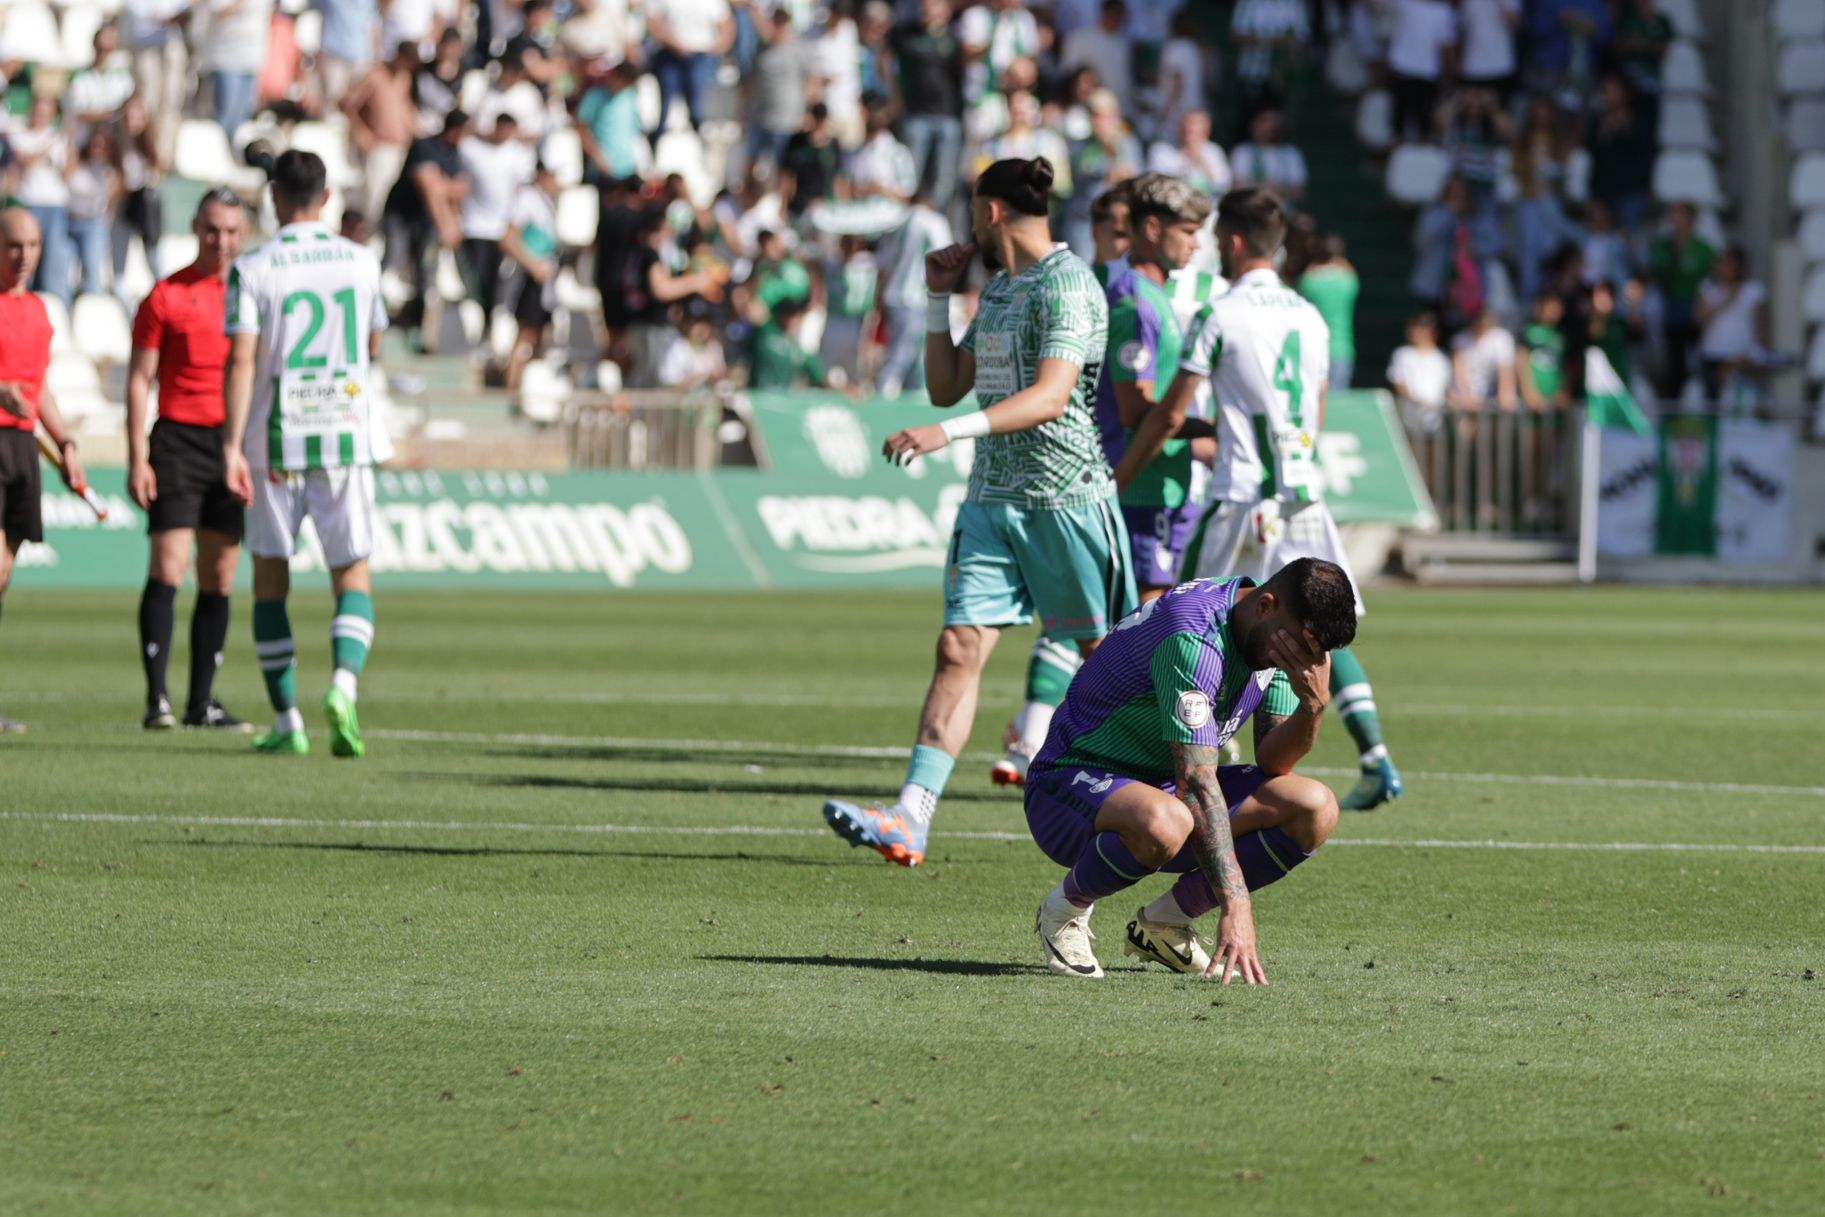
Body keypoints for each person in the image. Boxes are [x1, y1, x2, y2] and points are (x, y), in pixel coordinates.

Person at [821, 156, 1134, 866]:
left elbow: (1050, 397)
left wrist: (947, 434)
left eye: (972, 211)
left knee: (1106, 661)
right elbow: (945, 384)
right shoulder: (997, 289)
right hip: (993, 501)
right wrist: (937, 299)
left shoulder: (1069, 286)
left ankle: (1167, 793)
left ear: (990, 211)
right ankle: (911, 815)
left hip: (1066, 499)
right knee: (957, 646)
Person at [1167, 188, 1404, 811]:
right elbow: (1316, 410)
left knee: (1199, 619)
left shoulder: (1222, 311)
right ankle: (1374, 752)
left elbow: (1177, 409)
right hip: (1301, 493)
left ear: (1235, 242)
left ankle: (1199, 767)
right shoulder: (1310, 315)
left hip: (1243, 495)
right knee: (1320, 624)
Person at [1025, 559, 1353, 981]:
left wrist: (1313, 708)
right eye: (1298, 649)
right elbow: (1196, 784)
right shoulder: (1194, 637)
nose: (1302, 662)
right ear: (1266, 605)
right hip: (1069, 783)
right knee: (1166, 820)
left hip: (1163, 789)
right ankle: (1065, 909)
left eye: (1315, 655)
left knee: (1314, 806)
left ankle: (1164, 923)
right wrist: (1237, 904)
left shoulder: (1270, 634)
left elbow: (1275, 762)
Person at [221, 151, 390, 758]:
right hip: (344, 437)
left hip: (275, 443)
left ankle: (288, 720)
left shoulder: (253, 267)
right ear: (326, 198)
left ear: (273, 198)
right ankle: (343, 685)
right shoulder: (362, 261)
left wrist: (231, 445)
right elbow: (372, 343)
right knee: (352, 573)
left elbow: (241, 359)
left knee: (271, 580)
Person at [126, 189, 253, 732]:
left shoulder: (250, 296)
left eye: (230, 232)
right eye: (211, 230)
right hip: (177, 438)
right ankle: (158, 700)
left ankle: (202, 702)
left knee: (220, 574)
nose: (220, 241)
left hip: (232, 442)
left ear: (242, 235)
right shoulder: (166, 295)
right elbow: (139, 379)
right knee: (169, 565)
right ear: (196, 227)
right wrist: (138, 456)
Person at [1101, 174, 1210, 604]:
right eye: (1187, 232)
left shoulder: (1156, 297)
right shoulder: (1135, 303)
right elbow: (1136, 411)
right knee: (1145, 617)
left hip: (1160, 483)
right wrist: (1211, 429)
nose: (1196, 245)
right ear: (1151, 229)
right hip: (1140, 488)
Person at [0, 209, 89, 733]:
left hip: (23, 448)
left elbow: (40, 388)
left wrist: (67, 441)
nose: (25, 255)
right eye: (14, 245)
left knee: (5, 576)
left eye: (32, 245)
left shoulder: (37, 310)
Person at [382, 109, 471, 342]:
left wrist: (449, 211)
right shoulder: (424, 146)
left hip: (424, 223)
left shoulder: (454, 154)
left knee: (425, 275)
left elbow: (458, 191)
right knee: (391, 263)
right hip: (401, 216)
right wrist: (446, 224)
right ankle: (378, 317)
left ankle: (416, 329)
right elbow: (430, 190)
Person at [876, 188, 954, 398]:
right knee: (908, 352)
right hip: (917, 296)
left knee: (902, 349)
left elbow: (883, 263)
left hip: (893, 294)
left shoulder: (898, 222)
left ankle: (898, 393)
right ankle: (886, 395)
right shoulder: (934, 222)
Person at [893, 0, 965, 209]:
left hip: (947, 116)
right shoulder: (907, 36)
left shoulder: (952, 42)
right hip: (916, 115)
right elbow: (889, 64)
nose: (927, 10)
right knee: (909, 177)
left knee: (943, 180)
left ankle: (936, 226)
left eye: (933, 6)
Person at [499, 162, 561, 392]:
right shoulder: (527, 199)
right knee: (526, 334)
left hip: (544, 280)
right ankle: (512, 387)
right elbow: (508, 237)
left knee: (538, 336)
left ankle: (528, 390)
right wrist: (533, 265)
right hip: (529, 278)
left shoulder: (544, 200)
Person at [644, 0, 735, 145]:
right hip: (669, 57)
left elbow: (727, 28)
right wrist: (676, 44)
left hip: (701, 58)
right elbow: (652, 21)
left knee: (698, 110)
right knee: (666, 111)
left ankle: (697, 148)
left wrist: (713, 48)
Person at [1297, 234, 1359, 390]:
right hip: (1341, 350)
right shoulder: (1348, 280)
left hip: (1313, 349)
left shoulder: (1308, 281)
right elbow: (1350, 271)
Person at [1227, 106, 1305, 202]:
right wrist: (1264, 188)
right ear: (1253, 124)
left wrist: (1279, 190)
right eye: (1265, 121)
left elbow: (1299, 190)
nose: (1271, 125)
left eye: (1276, 121)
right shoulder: (1241, 152)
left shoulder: (1291, 153)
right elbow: (1235, 186)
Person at [1147, 110, 1230, 198]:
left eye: (1198, 133)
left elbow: (1224, 185)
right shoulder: (1161, 150)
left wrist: (1203, 164)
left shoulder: (1214, 152)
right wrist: (1187, 165)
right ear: (1180, 128)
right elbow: (1155, 183)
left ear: (1207, 132)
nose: (1192, 137)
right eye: (1188, 131)